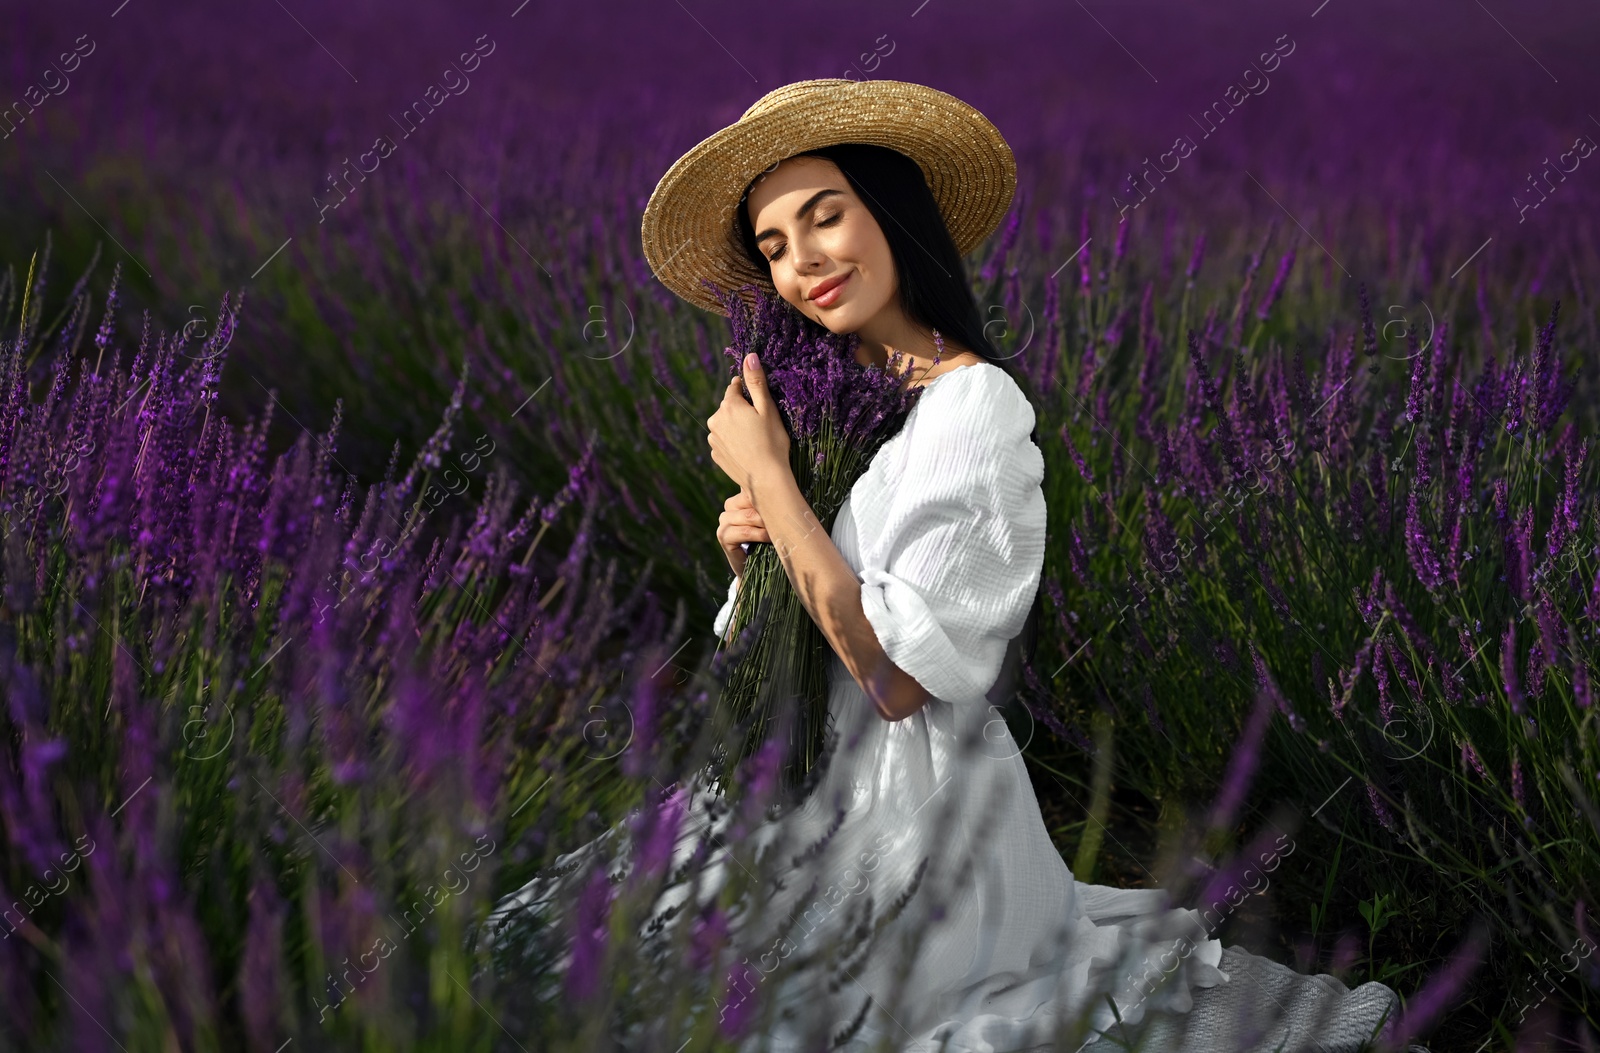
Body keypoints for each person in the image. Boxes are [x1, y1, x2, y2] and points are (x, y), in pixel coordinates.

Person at [493, 79, 1416, 1053]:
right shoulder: (841, 412)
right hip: (798, 782)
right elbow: (781, 642)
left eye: (825, 218)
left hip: (913, 821)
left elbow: (895, 681)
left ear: (890, 214)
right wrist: (753, 551)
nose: (804, 262)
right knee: (571, 962)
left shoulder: (976, 412)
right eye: (772, 248)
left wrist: (771, 479)